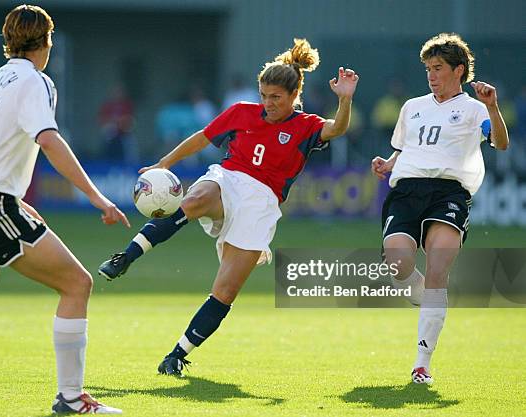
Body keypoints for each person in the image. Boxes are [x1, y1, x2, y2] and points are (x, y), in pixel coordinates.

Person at [0, 5, 129, 414]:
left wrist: (19, 207)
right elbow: (48, 140)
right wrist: (98, 197)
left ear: (8, 39)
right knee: (77, 284)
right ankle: (70, 398)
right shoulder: (36, 81)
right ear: (47, 42)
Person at [99, 38, 359, 376]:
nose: (267, 104)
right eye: (263, 95)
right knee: (195, 198)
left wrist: (345, 99)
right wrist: (163, 163)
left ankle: (177, 354)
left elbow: (338, 128)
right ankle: (126, 256)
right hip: (228, 178)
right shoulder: (242, 113)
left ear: (294, 96)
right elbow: (202, 137)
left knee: (225, 291)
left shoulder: (306, 125)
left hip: (262, 204)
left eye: (276, 98)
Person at [371, 33, 509, 385]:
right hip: (406, 191)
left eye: (438, 68)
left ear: (458, 70)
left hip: (449, 193)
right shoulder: (412, 107)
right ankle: (426, 297)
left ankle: (422, 362)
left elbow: (500, 142)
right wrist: (388, 164)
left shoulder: (475, 108)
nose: (431, 75)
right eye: (428, 68)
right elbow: (406, 148)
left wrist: (492, 107)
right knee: (397, 264)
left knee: (437, 269)